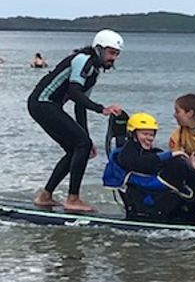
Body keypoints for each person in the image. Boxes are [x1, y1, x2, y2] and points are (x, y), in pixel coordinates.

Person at [28, 29, 124, 211]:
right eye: (112, 53)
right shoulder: (82, 60)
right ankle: (72, 199)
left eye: (117, 54)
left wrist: (86, 138)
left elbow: (79, 105)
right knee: (81, 145)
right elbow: (74, 92)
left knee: (78, 148)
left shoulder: (93, 71)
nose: (114, 58)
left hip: (47, 106)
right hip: (42, 103)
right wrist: (101, 109)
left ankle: (45, 196)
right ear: (99, 49)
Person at [104, 112, 195, 220]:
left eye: (152, 134)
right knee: (181, 165)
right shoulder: (126, 152)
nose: (149, 138)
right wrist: (171, 155)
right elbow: (137, 164)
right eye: (145, 134)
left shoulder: (152, 151)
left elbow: (154, 163)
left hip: (162, 182)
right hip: (150, 185)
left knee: (193, 176)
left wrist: (190, 167)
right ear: (133, 134)